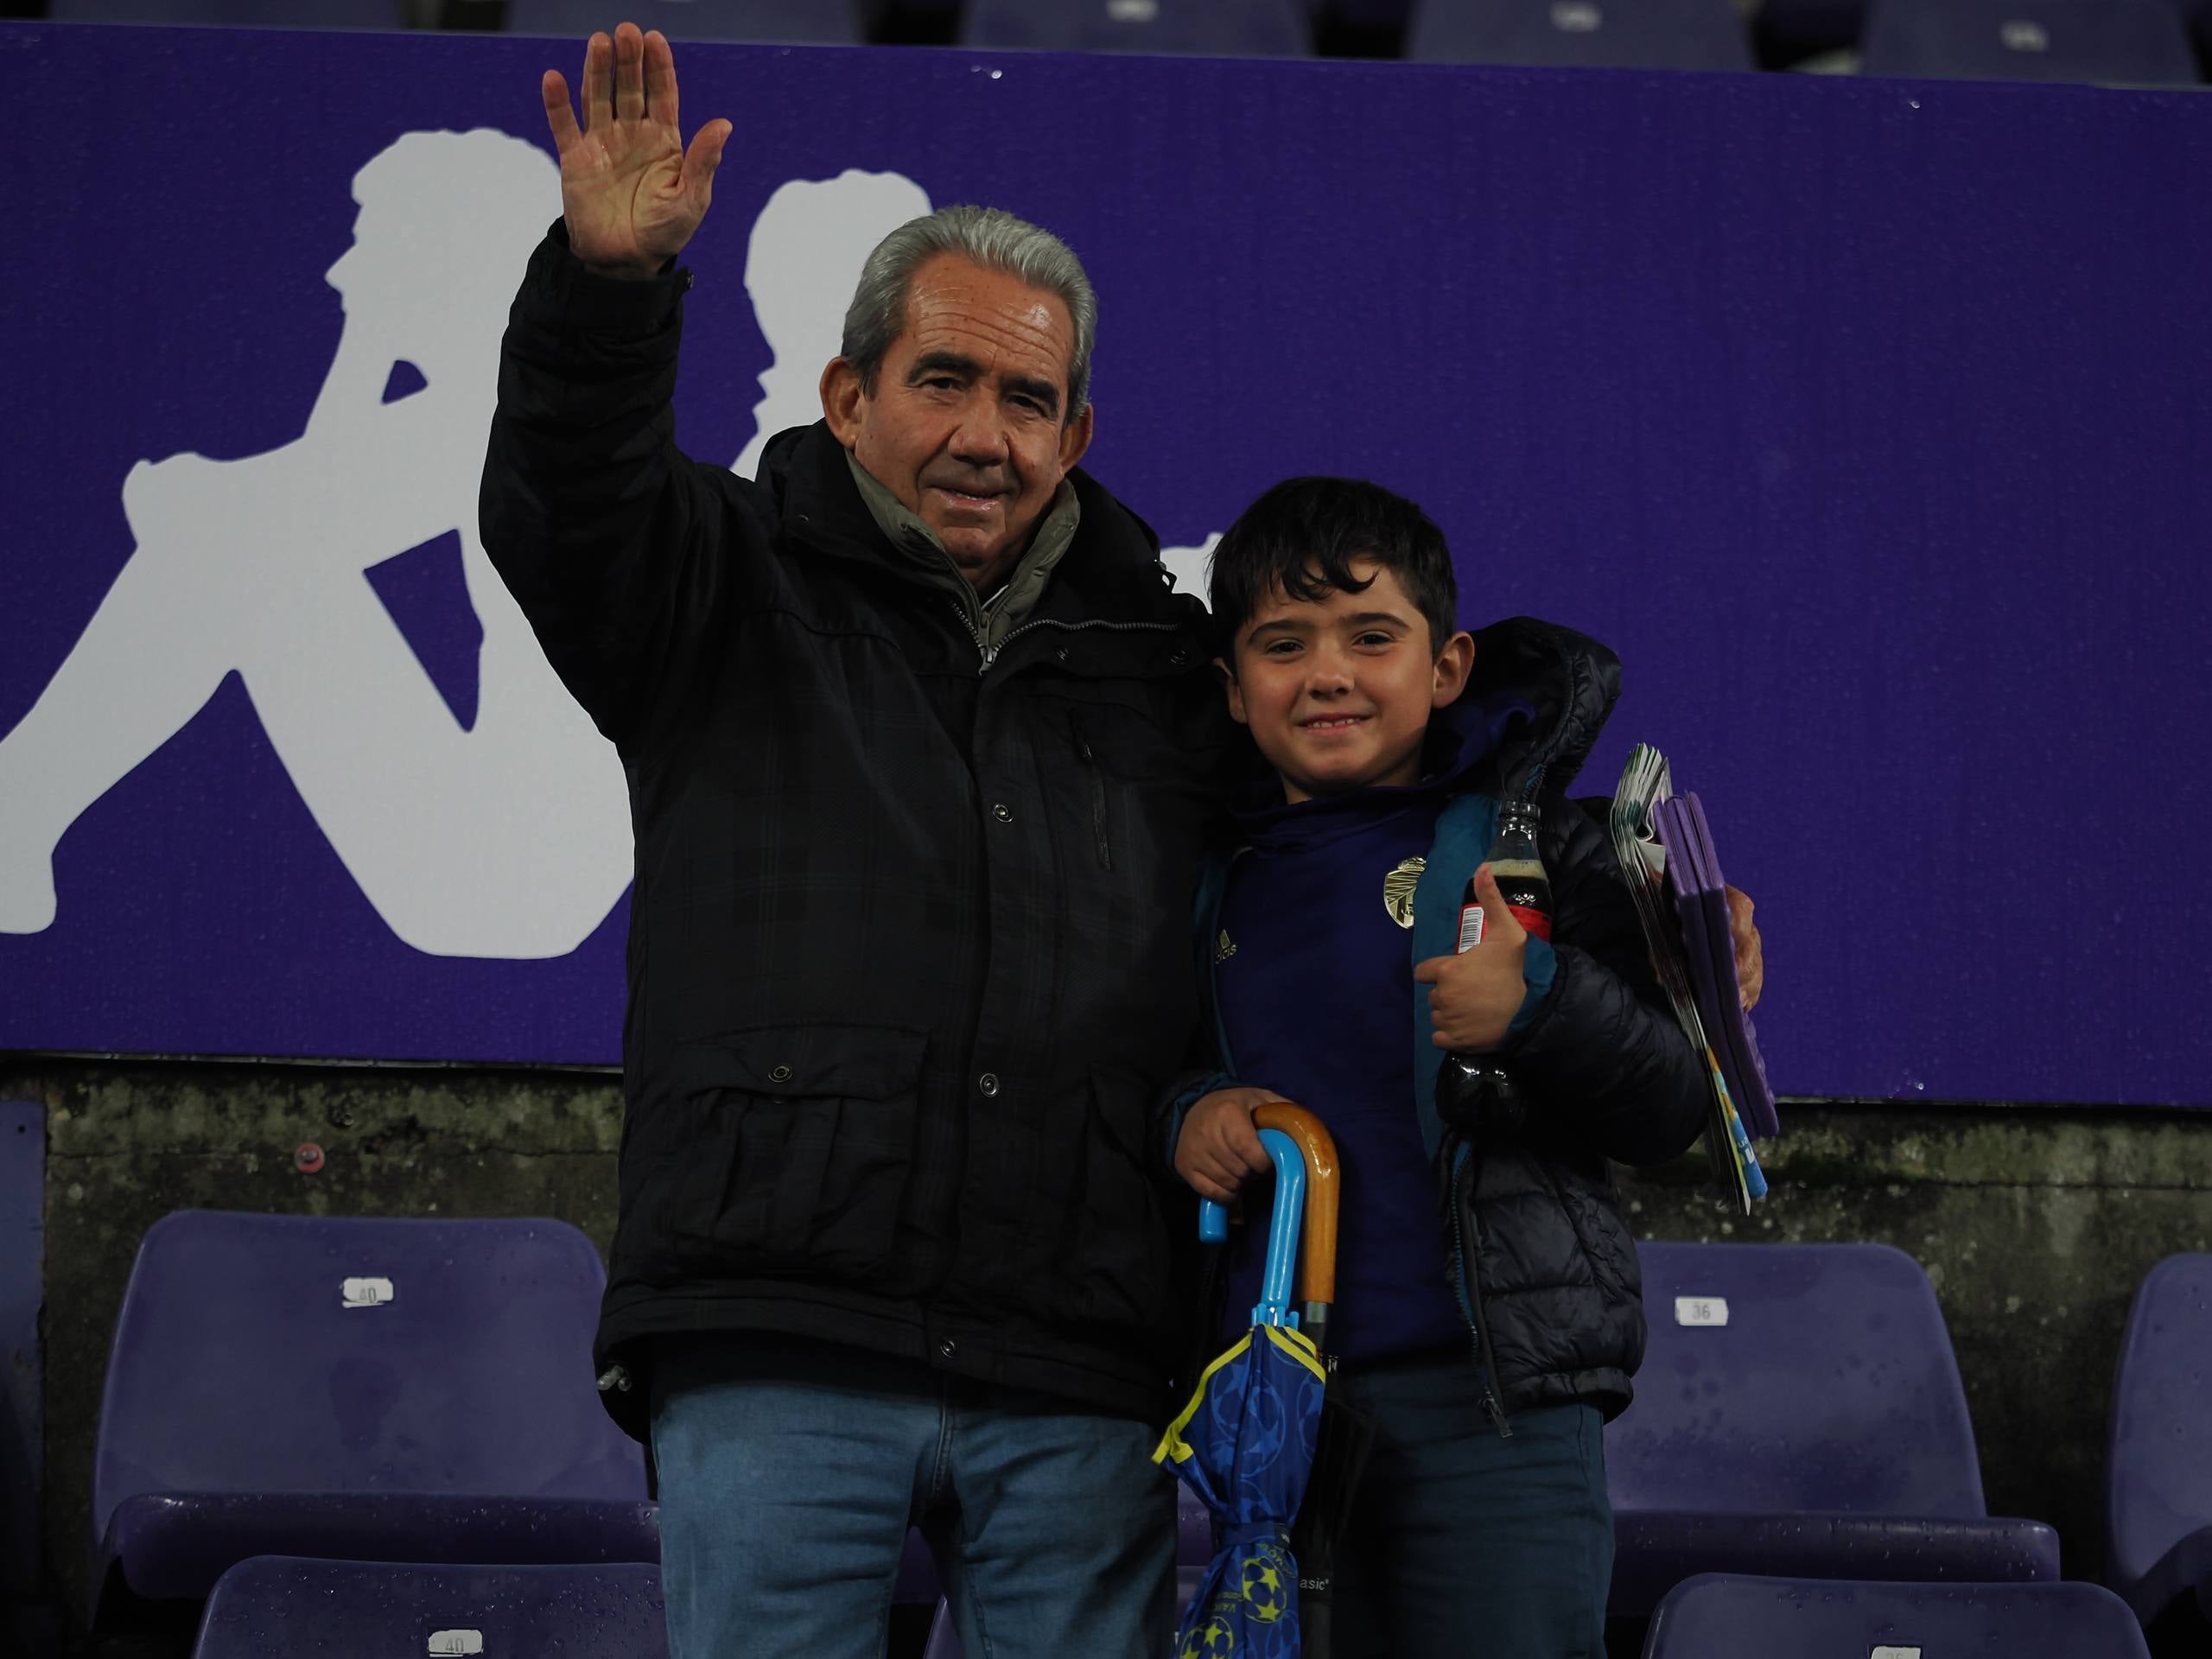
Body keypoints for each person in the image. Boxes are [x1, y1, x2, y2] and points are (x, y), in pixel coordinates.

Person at [488, 23, 1764, 1657]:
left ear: (1075, 440)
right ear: (848, 395)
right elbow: (564, 505)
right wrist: (609, 291)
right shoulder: (715, 588)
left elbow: (1353, 818)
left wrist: (1648, 914)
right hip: (779, 1334)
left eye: (1030, 398)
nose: (984, 432)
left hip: (1077, 1365)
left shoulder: (1164, 661)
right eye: (942, 380)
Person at [1169, 476, 1714, 1659]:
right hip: (1280, 1425)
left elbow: (1678, 1101)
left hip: (1498, 1413)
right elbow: (1151, 1072)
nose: (1329, 675)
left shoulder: (1538, 850)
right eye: (1282, 644)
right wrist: (1195, 1112)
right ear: (1229, 685)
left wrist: (1543, 1004)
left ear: (1448, 664)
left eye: (1374, 637)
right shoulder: (1200, 870)